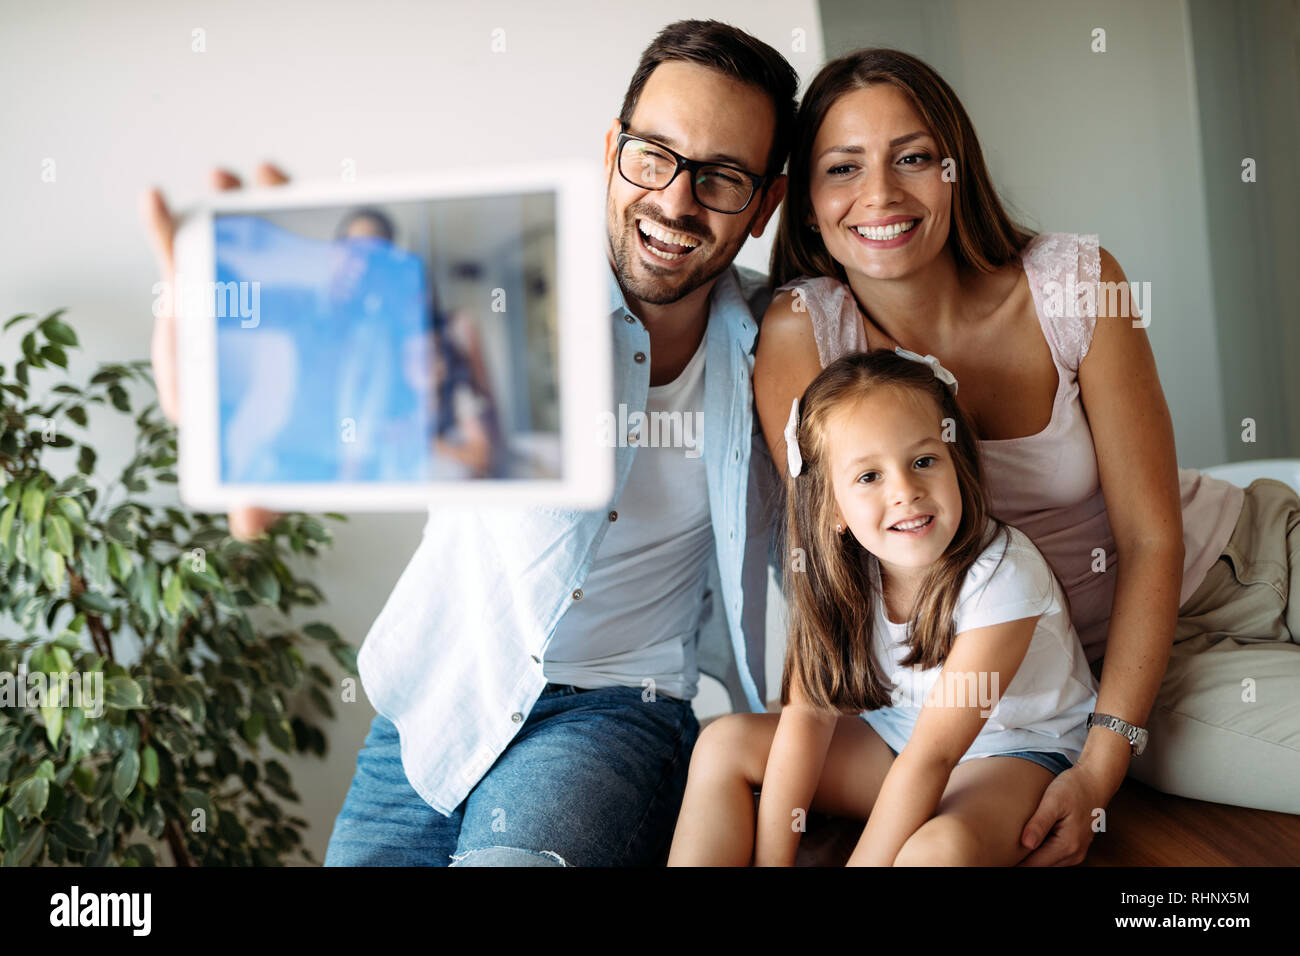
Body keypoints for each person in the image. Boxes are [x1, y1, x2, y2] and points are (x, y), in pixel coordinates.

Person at [142, 18, 796, 866]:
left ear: (765, 204)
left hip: (616, 712)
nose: (674, 200)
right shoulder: (498, 296)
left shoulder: (777, 347)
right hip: (441, 699)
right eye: (653, 156)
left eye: (721, 178)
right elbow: (308, 448)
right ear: (612, 150)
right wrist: (240, 391)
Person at [753, 48, 1300, 865]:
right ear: (806, 205)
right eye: (842, 167)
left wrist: (1101, 767)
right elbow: (831, 563)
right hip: (1114, 669)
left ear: (955, 170)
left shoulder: (1075, 284)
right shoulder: (804, 336)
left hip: (1249, 559)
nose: (880, 194)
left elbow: (1153, 539)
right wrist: (1099, 757)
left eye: (912, 157)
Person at [669, 349, 1098, 865]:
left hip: (1013, 754)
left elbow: (934, 757)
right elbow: (807, 719)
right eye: (869, 477)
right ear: (832, 508)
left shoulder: (1005, 576)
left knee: (939, 852)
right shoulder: (840, 576)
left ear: (955, 464)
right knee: (722, 744)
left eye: (923, 461)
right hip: (897, 743)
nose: (905, 492)